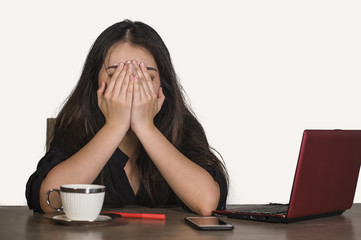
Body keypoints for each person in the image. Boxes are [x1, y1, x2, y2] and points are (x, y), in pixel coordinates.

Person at [26, 19, 228, 216]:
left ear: (162, 87)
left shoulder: (183, 127)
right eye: (116, 77)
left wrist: (145, 126)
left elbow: (207, 204)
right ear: (95, 83)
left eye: (146, 78)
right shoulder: (76, 125)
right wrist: (114, 126)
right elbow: (50, 200)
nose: (131, 88)